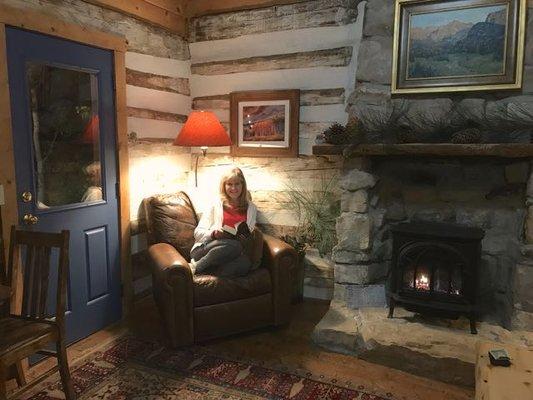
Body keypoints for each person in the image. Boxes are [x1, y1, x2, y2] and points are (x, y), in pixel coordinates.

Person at [189, 167, 256, 277]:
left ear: (243, 185)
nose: (233, 188)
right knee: (235, 246)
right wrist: (214, 234)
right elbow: (197, 233)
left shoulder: (251, 208)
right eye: (229, 184)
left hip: (231, 253)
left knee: (245, 263)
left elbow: (249, 233)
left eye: (237, 184)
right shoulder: (215, 204)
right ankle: (198, 265)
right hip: (205, 248)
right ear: (224, 186)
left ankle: (211, 269)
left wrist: (246, 239)